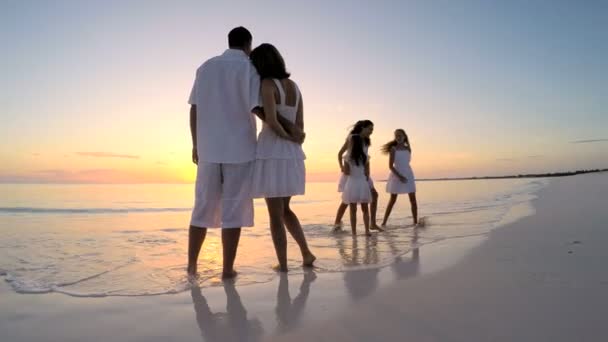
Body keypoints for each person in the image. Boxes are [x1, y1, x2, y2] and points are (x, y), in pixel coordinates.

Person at [187, 27, 261, 278]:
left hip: (208, 149)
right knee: (234, 211)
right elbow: (257, 107)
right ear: (248, 44)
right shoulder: (249, 68)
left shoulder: (206, 67)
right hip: (240, 149)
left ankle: (192, 266)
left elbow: (194, 108)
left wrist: (196, 144)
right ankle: (227, 269)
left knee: (201, 208)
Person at [249, 43, 316, 272]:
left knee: (275, 214)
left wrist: (284, 137)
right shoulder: (295, 86)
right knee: (285, 209)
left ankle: (284, 264)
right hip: (292, 154)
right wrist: (294, 139)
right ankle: (306, 253)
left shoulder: (267, 84)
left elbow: (272, 120)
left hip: (272, 150)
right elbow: (300, 126)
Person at [333, 120, 382, 232]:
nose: (371, 132)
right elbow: (340, 153)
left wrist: (367, 170)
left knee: (374, 195)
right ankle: (337, 223)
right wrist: (341, 166)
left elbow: (366, 157)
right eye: (370, 129)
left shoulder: (366, 140)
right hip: (351, 171)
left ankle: (372, 224)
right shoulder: (352, 137)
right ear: (363, 127)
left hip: (362, 171)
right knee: (347, 201)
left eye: (372, 129)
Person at [381, 129, 418, 226]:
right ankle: (384, 222)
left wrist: (404, 175)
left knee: (413, 200)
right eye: (396, 136)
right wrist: (399, 176)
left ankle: (415, 223)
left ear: (404, 136)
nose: (398, 137)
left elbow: (407, 162)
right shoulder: (393, 149)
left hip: (408, 174)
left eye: (400, 135)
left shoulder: (408, 149)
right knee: (392, 200)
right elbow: (390, 166)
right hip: (396, 175)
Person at [341, 134, 373, 236]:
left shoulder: (347, 157)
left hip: (352, 183)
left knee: (353, 210)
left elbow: (346, 172)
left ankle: (354, 233)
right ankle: (367, 230)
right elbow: (367, 173)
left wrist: (343, 168)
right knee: (365, 209)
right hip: (362, 183)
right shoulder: (365, 157)